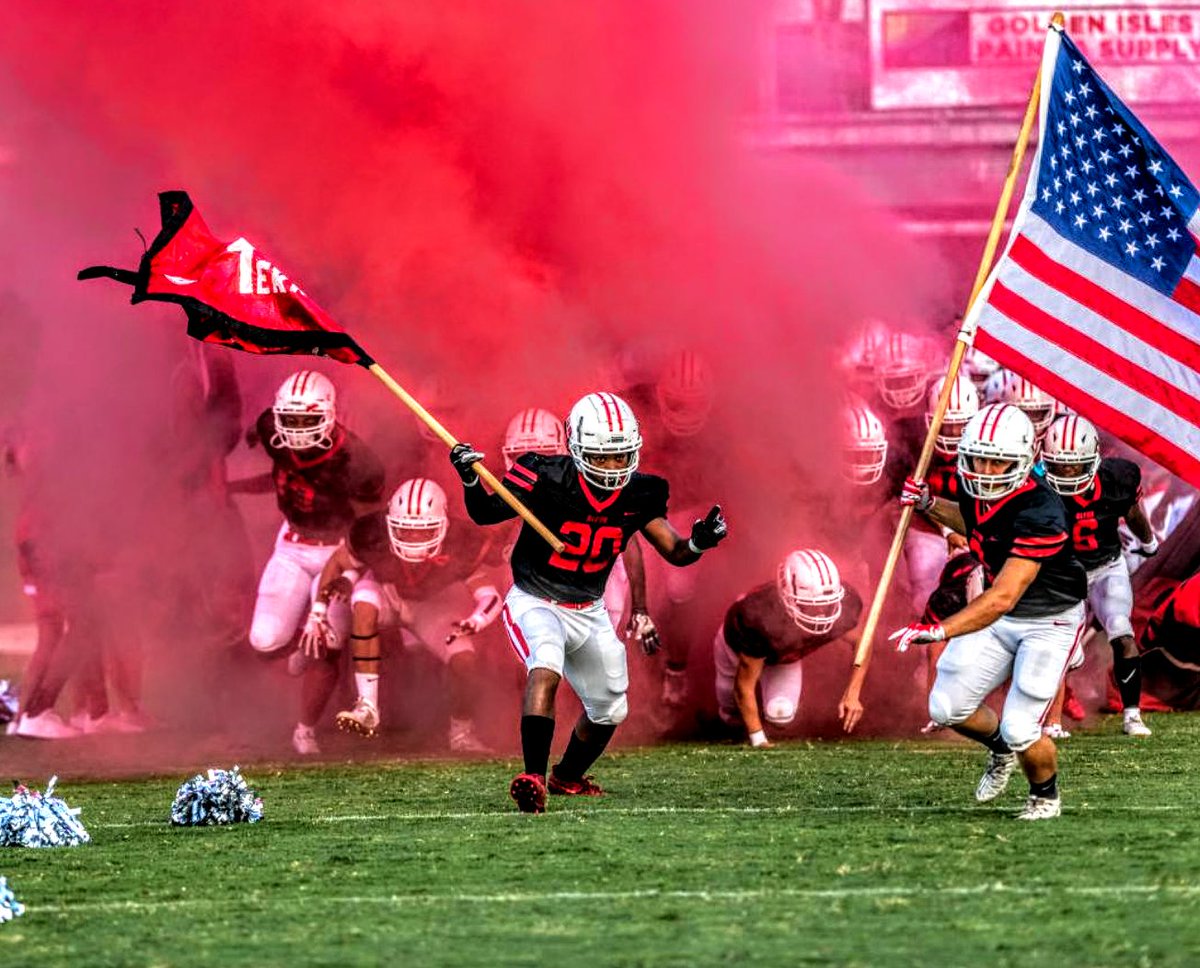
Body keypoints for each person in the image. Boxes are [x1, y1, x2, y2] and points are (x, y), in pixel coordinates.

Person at [449, 391, 728, 813]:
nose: (614, 467)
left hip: (591, 609)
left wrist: (700, 542)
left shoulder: (642, 493)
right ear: (577, 450)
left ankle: (567, 777)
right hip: (535, 599)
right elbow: (486, 514)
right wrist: (471, 479)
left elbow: (675, 551)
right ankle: (533, 777)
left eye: (620, 457)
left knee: (611, 707)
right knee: (546, 664)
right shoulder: (543, 474)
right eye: (601, 457)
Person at [888, 402, 1087, 821]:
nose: (985, 470)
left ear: (1022, 460)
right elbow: (973, 521)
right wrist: (927, 503)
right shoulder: (976, 487)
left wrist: (939, 632)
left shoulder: (1042, 511)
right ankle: (999, 752)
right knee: (946, 706)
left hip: (1049, 618)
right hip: (1005, 614)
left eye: (998, 462)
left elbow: (1004, 596)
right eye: (978, 458)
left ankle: (1044, 797)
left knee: (1021, 726)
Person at [234, 370, 384, 754]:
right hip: (291, 544)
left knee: (328, 644)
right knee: (265, 640)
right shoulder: (271, 428)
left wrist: (353, 568)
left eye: (307, 420)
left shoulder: (358, 461)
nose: (297, 431)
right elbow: (261, 428)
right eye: (291, 420)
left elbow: (369, 523)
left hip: (337, 549)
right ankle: (297, 641)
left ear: (331, 417)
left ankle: (305, 729)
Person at [303, 477, 502, 752]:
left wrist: (477, 619)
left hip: (434, 605)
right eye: (405, 530)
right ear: (388, 522)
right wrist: (317, 612)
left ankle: (462, 734)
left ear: (444, 524)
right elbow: (338, 562)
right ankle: (368, 706)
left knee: (464, 661)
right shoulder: (372, 532)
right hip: (388, 593)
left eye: (423, 531)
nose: (413, 538)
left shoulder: (463, 541)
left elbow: (489, 594)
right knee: (363, 602)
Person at [1040, 414, 1158, 736]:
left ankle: (1132, 715)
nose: (1066, 472)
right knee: (1063, 649)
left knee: (1122, 632)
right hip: (1063, 573)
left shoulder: (1116, 479)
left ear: (1093, 457)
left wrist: (1147, 541)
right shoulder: (1036, 485)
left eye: (1074, 465)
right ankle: (1050, 721)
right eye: (1059, 465)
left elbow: (1132, 513)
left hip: (1106, 566)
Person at [715, 549, 861, 746]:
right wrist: (758, 740)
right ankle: (729, 722)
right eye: (809, 605)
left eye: (826, 605)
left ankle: (763, 716)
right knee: (731, 715)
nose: (820, 613)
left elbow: (863, 643)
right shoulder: (759, 618)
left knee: (780, 714)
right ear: (786, 598)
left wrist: (853, 693)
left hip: (783, 658)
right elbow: (744, 686)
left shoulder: (843, 606)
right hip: (734, 652)